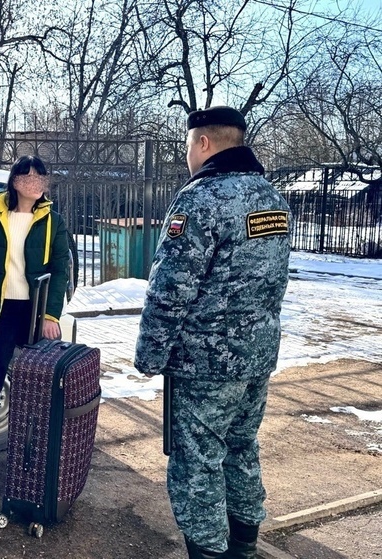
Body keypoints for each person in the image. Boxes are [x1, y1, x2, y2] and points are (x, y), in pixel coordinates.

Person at [134, 106, 291, 559]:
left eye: (188, 145)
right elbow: (273, 281)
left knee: (197, 465)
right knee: (241, 449)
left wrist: (149, 354)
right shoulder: (274, 200)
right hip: (256, 357)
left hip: (206, 365)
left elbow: (171, 287)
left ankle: (209, 553)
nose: (188, 155)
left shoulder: (201, 199)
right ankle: (244, 546)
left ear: (203, 143)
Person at [0, 154, 70, 481]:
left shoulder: (54, 220)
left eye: (41, 177)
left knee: (39, 380)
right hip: (2, 310)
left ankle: (35, 450)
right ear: (14, 181)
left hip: (37, 310)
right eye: (28, 177)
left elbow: (60, 270)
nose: (35, 183)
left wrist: (51, 314)